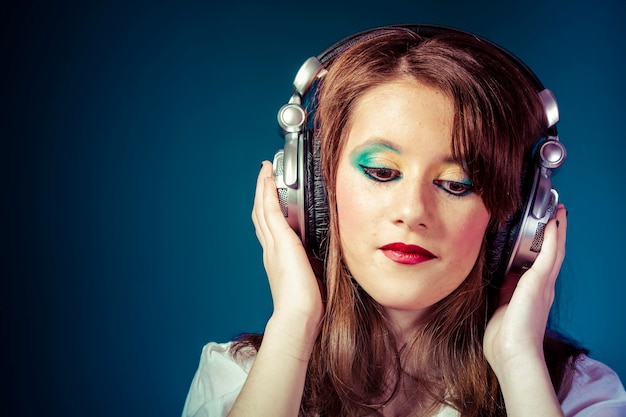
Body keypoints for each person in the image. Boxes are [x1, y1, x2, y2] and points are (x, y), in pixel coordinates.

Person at [182, 25, 626, 417]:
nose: (413, 212)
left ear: (519, 217)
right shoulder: (234, 378)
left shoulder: (578, 395)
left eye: (456, 183)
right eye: (381, 173)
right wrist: (294, 325)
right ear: (311, 191)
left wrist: (517, 360)